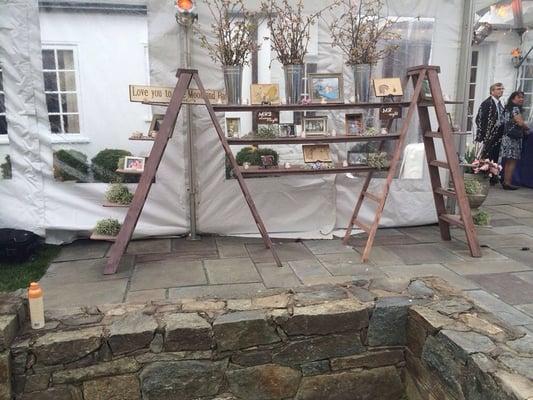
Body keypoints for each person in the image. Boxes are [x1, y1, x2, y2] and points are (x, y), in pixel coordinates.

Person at [475, 83, 505, 183]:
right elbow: (479, 119)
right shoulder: (487, 103)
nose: (501, 90)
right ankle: (483, 176)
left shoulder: (499, 103)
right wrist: (484, 134)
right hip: (488, 135)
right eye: (498, 89)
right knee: (487, 156)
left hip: (497, 134)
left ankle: (492, 176)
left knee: (494, 155)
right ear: (492, 91)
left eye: (502, 89)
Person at [500, 91, 528, 190]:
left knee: (508, 160)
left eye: (522, 97)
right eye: (519, 97)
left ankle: (505, 181)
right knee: (512, 160)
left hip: (507, 136)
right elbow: (520, 122)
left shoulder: (508, 108)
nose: (521, 99)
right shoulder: (515, 109)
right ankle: (507, 182)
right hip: (513, 138)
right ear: (513, 98)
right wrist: (527, 127)